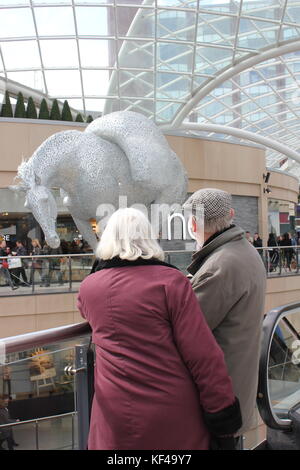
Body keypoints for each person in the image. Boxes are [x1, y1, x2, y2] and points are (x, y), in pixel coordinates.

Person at [77, 208, 242, 450]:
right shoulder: (171, 282)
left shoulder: (89, 288)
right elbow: (203, 354)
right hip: (173, 411)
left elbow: (88, 313)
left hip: (113, 413)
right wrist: (222, 413)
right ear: (148, 237)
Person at [183, 188, 266, 448]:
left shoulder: (220, 267)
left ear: (193, 223)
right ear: (230, 215)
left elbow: (187, 330)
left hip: (219, 402)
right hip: (237, 390)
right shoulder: (245, 251)